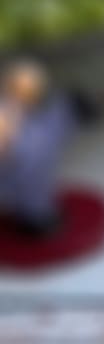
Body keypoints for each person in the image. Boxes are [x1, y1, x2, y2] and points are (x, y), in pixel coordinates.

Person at [0, 60, 78, 235]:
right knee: (32, 169)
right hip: (19, 176)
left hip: (28, 169)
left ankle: (37, 212)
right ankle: (33, 219)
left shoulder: (27, 112)